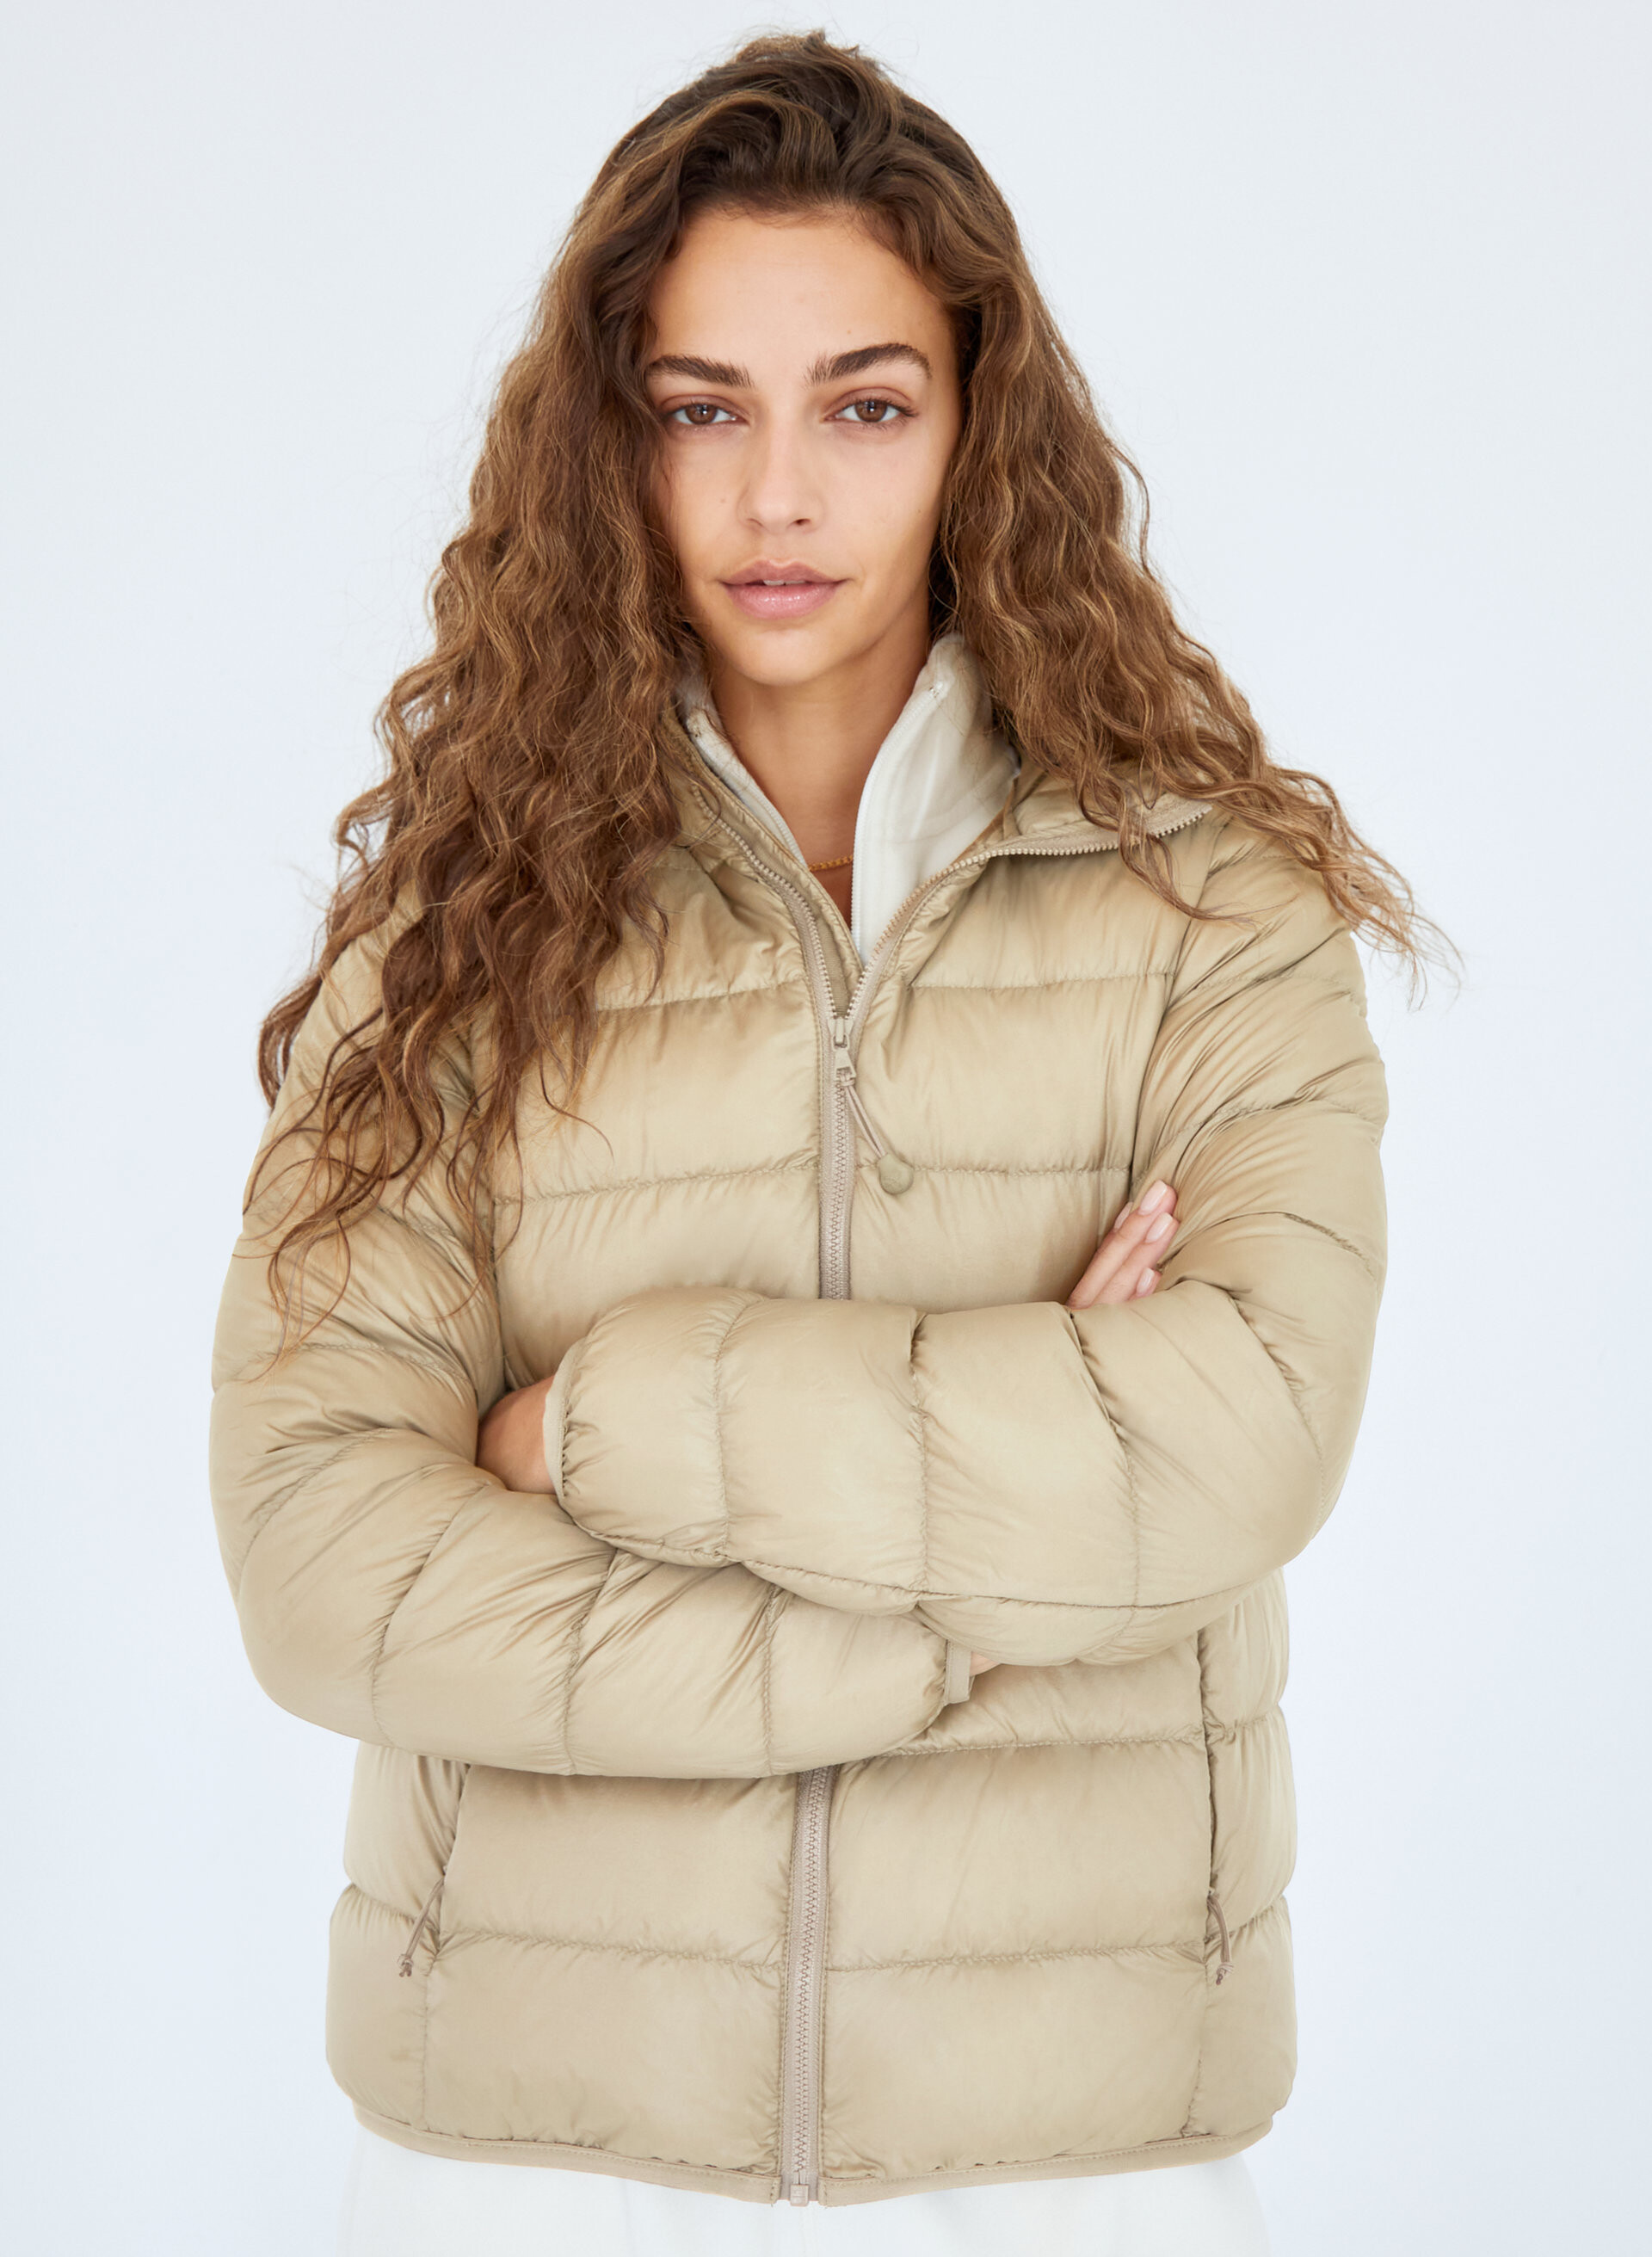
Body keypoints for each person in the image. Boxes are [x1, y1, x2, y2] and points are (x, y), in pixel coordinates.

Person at [209, 30, 1443, 2256]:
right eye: (703, 409)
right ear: (611, 440)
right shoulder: (457, 935)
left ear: (977, 431)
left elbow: (1241, 1435)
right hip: (527, 2171)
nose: (779, 495)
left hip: (1081, 2175)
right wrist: (953, 1632)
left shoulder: (1212, 910)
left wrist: (589, 1427)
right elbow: (321, 1557)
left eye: (863, 407)